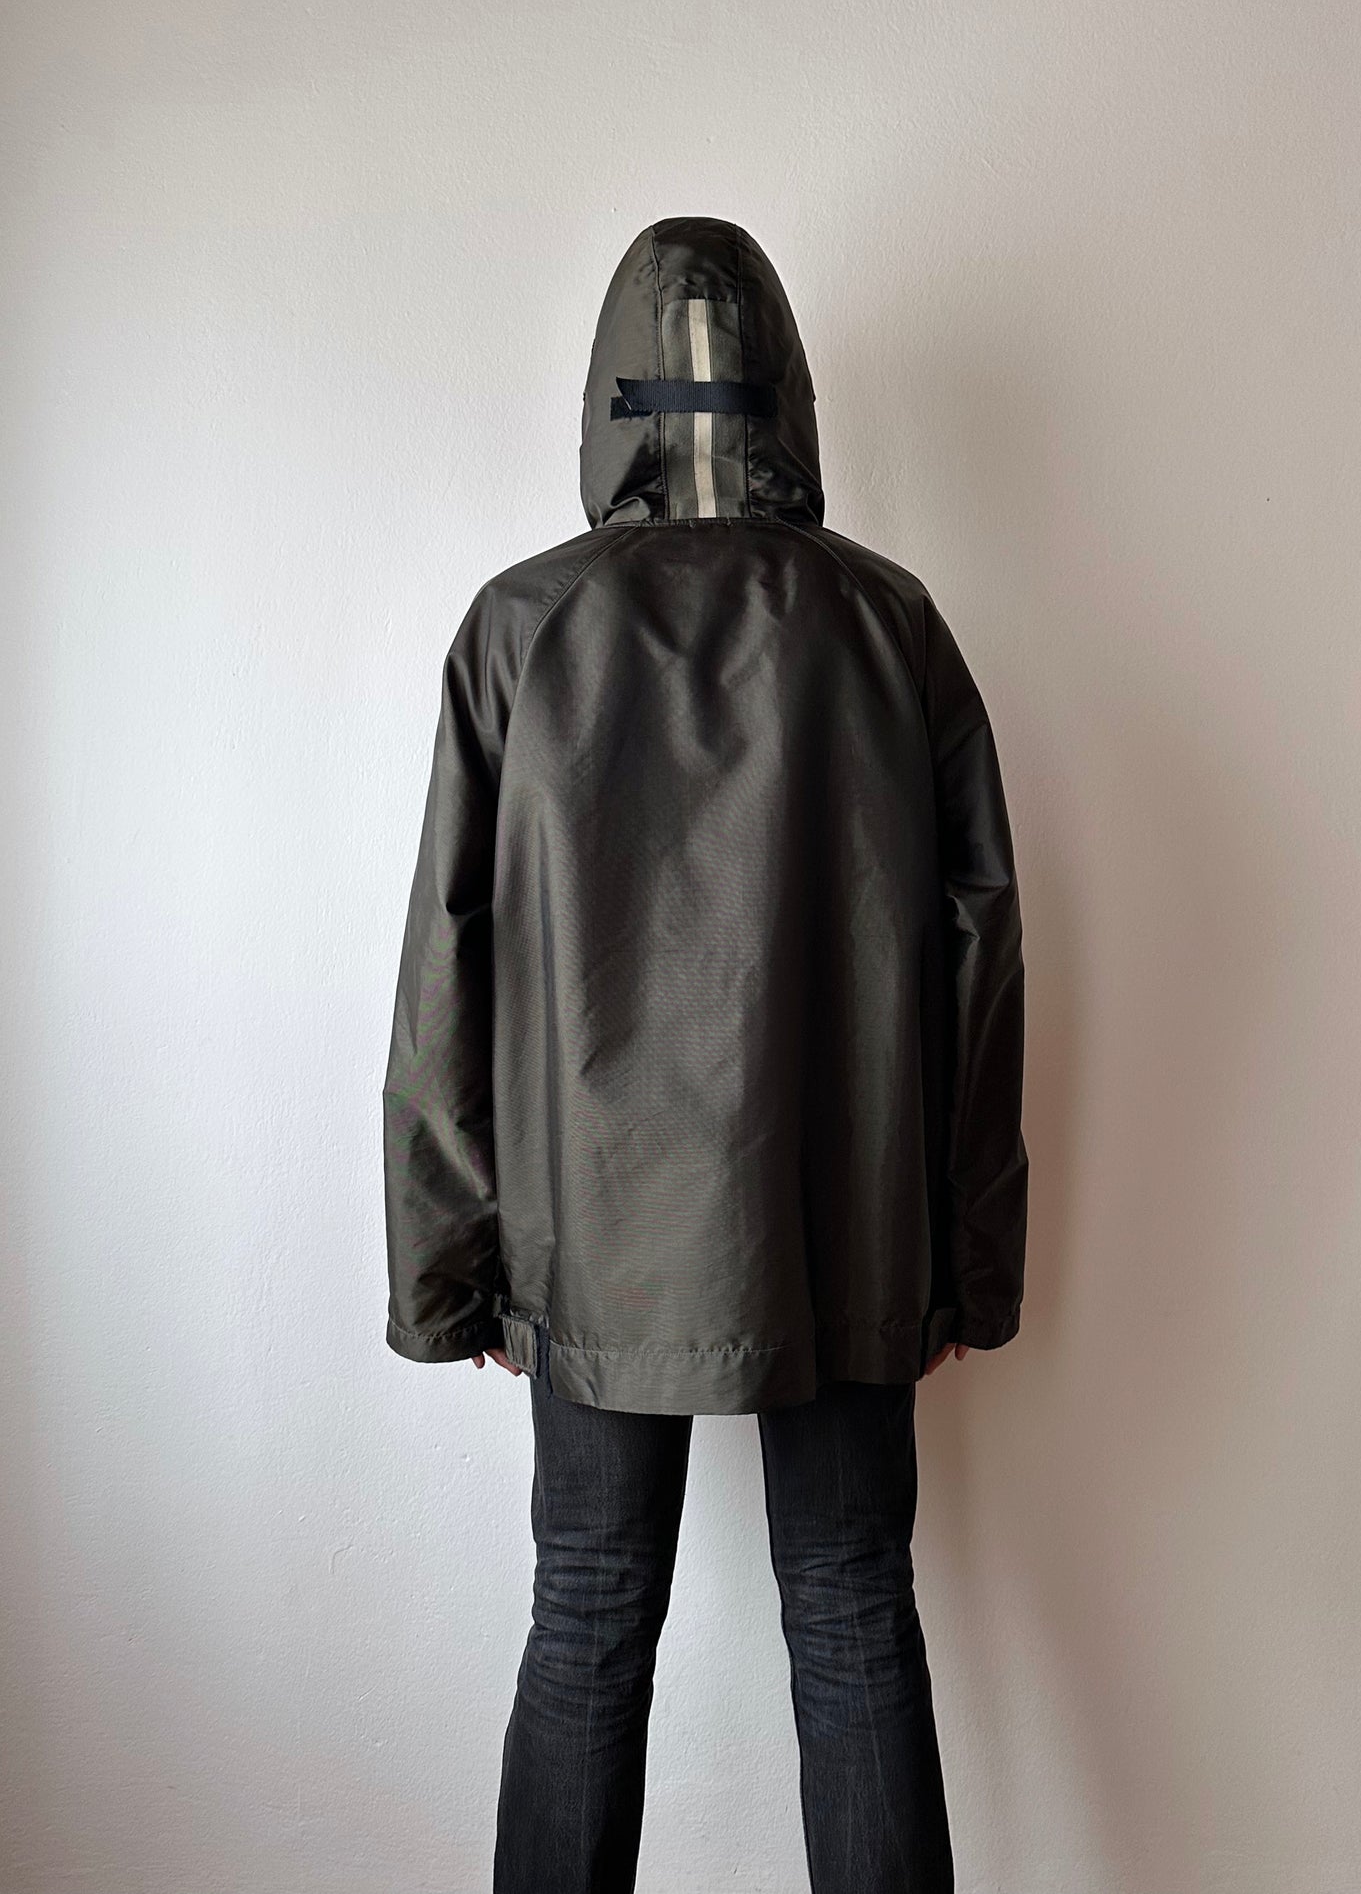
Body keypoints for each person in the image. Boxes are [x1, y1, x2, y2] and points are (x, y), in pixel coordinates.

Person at [382, 216, 1029, 1893]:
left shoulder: (520, 629)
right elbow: (982, 965)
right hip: (845, 1214)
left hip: (593, 1231)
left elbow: (446, 972)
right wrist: (965, 1263)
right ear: (789, 393)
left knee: (588, 1618)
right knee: (854, 1612)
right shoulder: (889, 624)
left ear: (605, 396)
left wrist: (450, 1274)